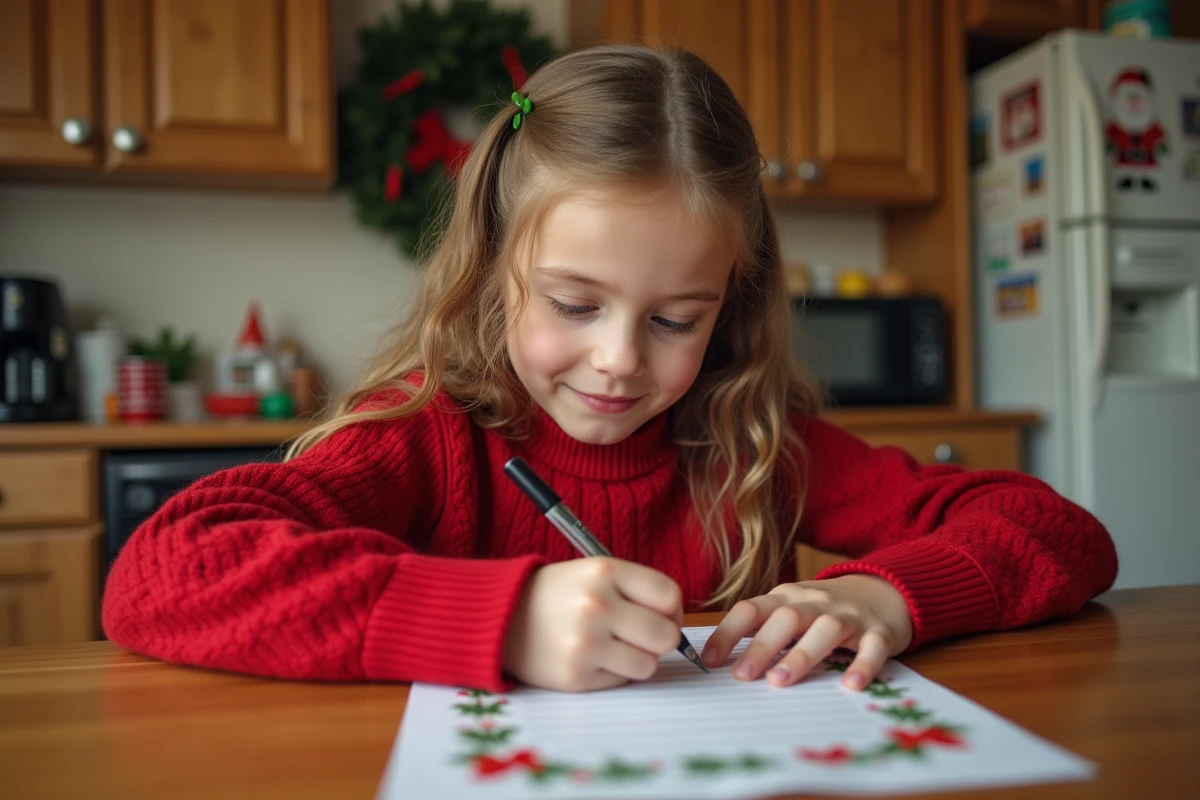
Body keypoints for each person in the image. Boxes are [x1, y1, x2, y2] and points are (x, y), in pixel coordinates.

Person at [102, 45, 1117, 694]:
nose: (621, 360)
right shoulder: (429, 432)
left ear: (730, 305)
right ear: (496, 273)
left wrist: (886, 598)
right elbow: (162, 570)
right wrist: (500, 621)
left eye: (677, 318)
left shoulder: (750, 443)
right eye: (575, 304)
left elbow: (1057, 530)